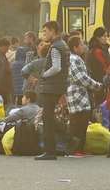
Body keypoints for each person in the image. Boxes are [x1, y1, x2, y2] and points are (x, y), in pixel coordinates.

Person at [34, 21, 69, 161]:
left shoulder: (55, 47)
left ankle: (50, 151)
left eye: (45, 31)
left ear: (53, 31)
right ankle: (68, 139)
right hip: (59, 86)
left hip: (51, 87)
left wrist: (43, 75)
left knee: (47, 118)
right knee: (49, 117)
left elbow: (56, 67)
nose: (44, 34)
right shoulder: (63, 45)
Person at [65, 35, 102, 156]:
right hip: (78, 96)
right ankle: (76, 149)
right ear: (75, 47)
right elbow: (81, 78)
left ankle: (77, 149)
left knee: (78, 122)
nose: (83, 46)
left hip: (76, 95)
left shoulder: (73, 58)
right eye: (81, 44)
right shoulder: (74, 59)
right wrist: (97, 85)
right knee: (79, 123)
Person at [0, 37, 14, 110]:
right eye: (6, 48)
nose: (7, 50)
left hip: (3, 87)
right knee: (0, 106)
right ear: (2, 46)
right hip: (1, 87)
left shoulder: (1, 56)